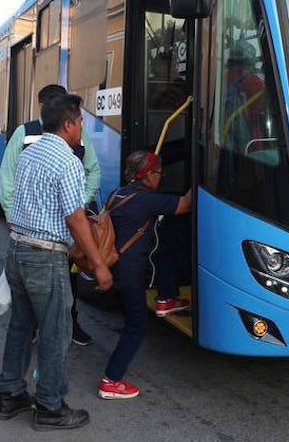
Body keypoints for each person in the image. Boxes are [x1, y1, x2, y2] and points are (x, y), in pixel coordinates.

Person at [0, 94, 112, 431]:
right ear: (69, 124)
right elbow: (75, 218)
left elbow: (16, 195)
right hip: (45, 257)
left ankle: (10, 392)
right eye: (80, 123)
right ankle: (49, 406)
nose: (81, 131)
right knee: (56, 332)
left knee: (21, 325)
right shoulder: (67, 161)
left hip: (17, 250)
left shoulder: (30, 153)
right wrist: (98, 263)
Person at [0, 83, 100, 346]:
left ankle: (71, 322)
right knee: (37, 297)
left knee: (70, 281)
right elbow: (7, 177)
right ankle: (41, 340)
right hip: (37, 233)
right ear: (43, 106)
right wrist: (12, 215)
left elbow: (93, 172)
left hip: (62, 234)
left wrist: (79, 201)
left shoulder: (78, 137)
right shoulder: (25, 133)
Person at [98, 150, 191, 400]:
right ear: (148, 174)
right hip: (130, 274)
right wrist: (204, 175)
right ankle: (111, 380)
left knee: (165, 244)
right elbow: (185, 204)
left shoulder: (116, 194)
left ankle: (166, 298)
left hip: (113, 267)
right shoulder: (147, 200)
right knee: (136, 325)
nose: (161, 177)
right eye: (159, 172)